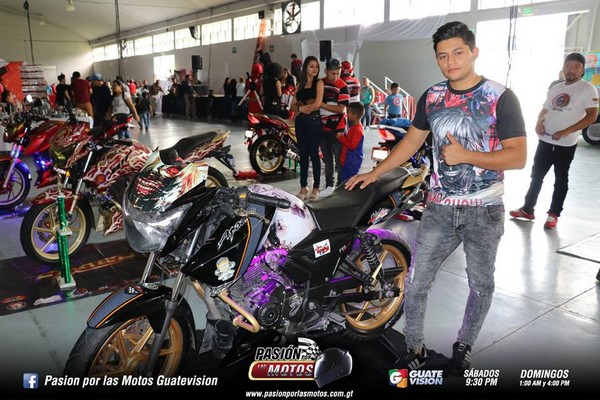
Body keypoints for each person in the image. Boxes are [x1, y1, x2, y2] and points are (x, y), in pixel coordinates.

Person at [345, 21, 527, 374]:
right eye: (442, 56)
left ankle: (464, 344)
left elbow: (517, 156)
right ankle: (414, 348)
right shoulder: (432, 97)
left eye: (458, 52)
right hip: (439, 208)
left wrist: (466, 156)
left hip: (484, 211)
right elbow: (411, 142)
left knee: (481, 285)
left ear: (474, 52)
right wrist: (375, 172)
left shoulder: (501, 97)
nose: (450, 61)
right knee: (416, 283)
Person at [510, 53, 599, 229]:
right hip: (545, 140)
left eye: (576, 67)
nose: (571, 70)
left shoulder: (588, 89)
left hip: (565, 145)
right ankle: (527, 209)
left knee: (560, 179)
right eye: (568, 66)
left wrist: (566, 131)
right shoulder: (556, 87)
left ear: (582, 70)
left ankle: (553, 214)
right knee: (536, 176)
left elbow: (592, 116)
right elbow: (545, 109)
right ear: (563, 67)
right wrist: (539, 122)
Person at [290, 55, 324, 202]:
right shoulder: (300, 84)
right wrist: (301, 109)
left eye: (316, 66)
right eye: (311, 66)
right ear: (305, 68)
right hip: (301, 122)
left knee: (314, 154)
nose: (315, 69)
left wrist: (302, 108)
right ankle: (303, 187)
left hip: (314, 122)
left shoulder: (319, 83)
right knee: (303, 154)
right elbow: (292, 105)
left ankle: (316, 187)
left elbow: (317, 104)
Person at [319, 58, 350, 198]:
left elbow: (341, 109)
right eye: (332, 73)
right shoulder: (320, 83)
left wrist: (321, 104)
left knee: (339, 160)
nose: (335, 76)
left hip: (338, 127)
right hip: (323, 127)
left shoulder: (343, 86)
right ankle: (329, 185)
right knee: (327, 160)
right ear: (326, 71)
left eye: (338, 73)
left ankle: (340, 186)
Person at [336, 102, 364, 181]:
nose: (347, 114)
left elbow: (352, 145)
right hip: (348, 160)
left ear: (355, 115)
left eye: (348, 112)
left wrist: (341, 138)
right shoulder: (353, 127)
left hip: (351, 162)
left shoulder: (357, 129)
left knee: (347, 182)